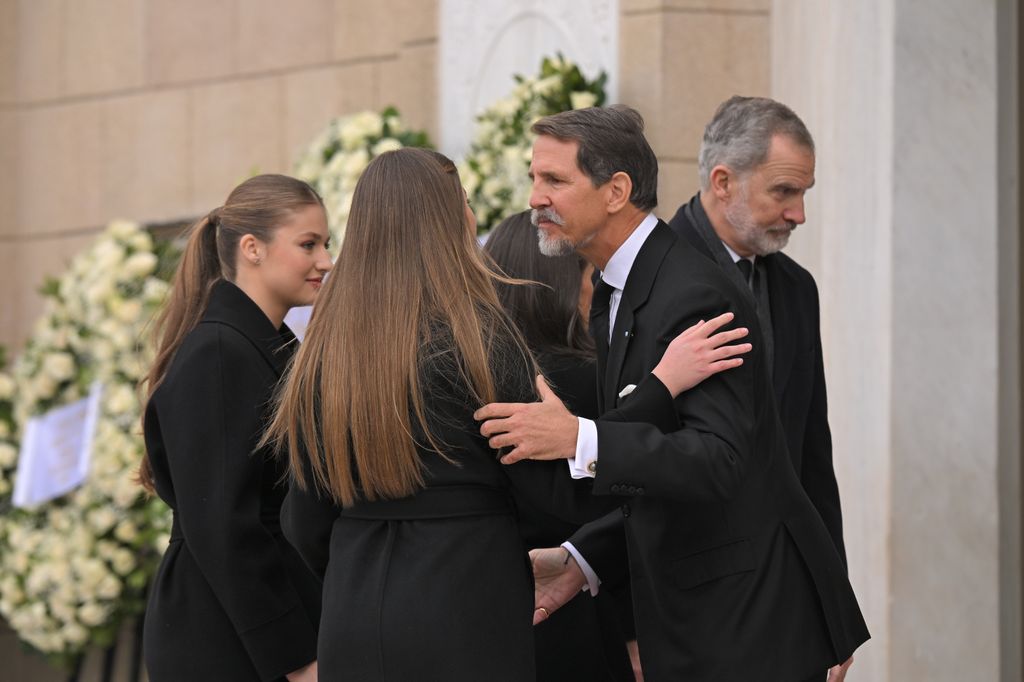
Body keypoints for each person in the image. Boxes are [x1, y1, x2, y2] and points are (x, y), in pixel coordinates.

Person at [263, 148, 745, 682]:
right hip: (466, 609)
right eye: (464, 202)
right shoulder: (478, 342)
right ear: (448, 220)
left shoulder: (319, 360)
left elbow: (303, 522)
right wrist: (659, 388)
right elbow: (562, 495)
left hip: (353, 615)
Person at [475, 105, 870, 682]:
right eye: (535, 179)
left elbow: (721, 460)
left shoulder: (693, 292)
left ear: (616, 191)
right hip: (703, 619)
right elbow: (655, 469)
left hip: (744, 628)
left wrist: (579, 436)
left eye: (554, 180)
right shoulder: (621, 286)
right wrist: (585, 562)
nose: (535, 197)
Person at [139, 174, 330, 682]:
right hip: (225, 636)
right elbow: (224, 525)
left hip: (248, 623)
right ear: (252, 249)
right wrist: (294, 656)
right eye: (308, 244)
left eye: (325, 244)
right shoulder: (219, 354)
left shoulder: (257, 347)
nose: (326, 261)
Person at [667, 95, 849, 568]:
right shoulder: (651, 276)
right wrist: (630, 628)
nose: (799, 214)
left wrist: (833, 610)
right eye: (784, 192)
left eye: (804, 193)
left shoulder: (796, 288)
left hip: (782, 578)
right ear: (723, 182)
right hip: (686, 589)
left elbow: (811, 455)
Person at [484, 211, 633, 682]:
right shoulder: (587, 378)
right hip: (581, 610)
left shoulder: (478, 377)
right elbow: (630, 504)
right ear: (561, 285)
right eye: (591, 274)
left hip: (496, 618)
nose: (599, 289)